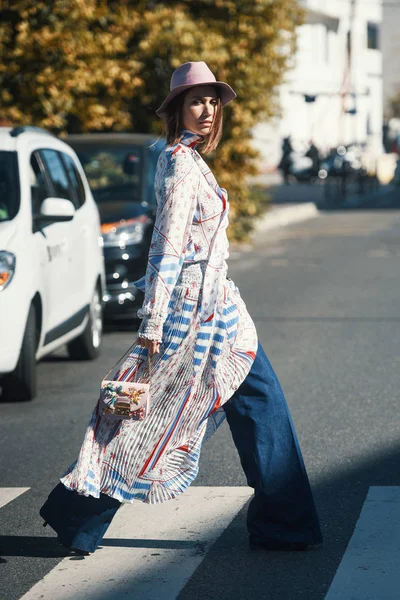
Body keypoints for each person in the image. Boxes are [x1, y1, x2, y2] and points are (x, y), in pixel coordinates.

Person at [40, 61, 322, 555]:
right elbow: (166, 246)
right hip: (190, 319)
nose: (208, 110)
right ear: (177, 110)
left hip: (225, 317)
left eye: (213, 101)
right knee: (150, 420)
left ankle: (285, 522)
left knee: (257, 406)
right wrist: (152, 322)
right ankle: (75, 514)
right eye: (197, 100)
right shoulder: (177, 164)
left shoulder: (192, 162)